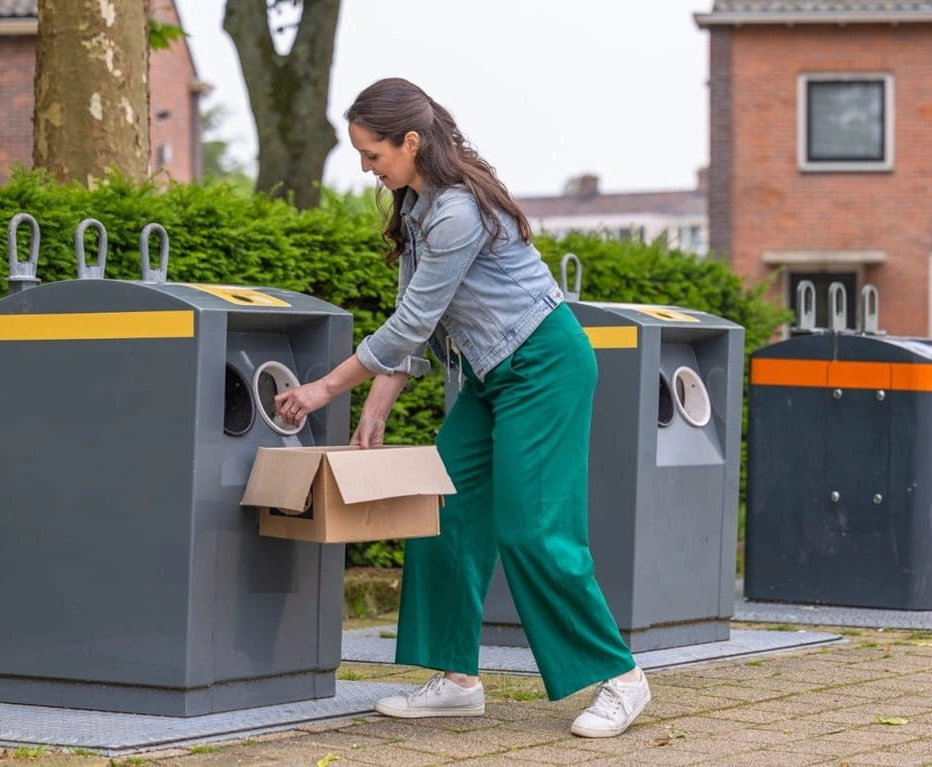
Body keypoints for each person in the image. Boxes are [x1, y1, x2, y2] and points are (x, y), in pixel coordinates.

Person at [273, 77, 650, 738]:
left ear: (410, 142)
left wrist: (326, 389)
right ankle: (455, 677)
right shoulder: (414, 208)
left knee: (533, 526)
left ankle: (620, 676)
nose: (365, 167)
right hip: (490, 374)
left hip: (544, 364)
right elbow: (414, 322)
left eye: (372, 153)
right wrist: (379, 405)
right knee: (440, 505)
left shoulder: (457, 210)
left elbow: (412, 321)